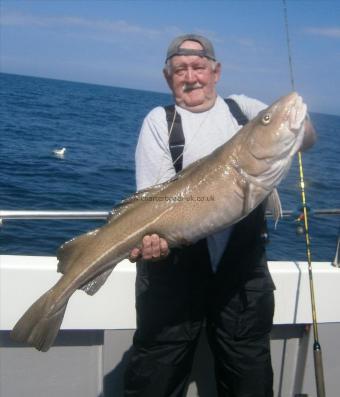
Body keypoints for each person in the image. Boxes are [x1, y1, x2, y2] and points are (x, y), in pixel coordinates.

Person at [124, 34, 316, 397]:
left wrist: (297, 126)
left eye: (199, 67)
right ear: (169, 78)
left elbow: (306, 138)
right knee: (155, 376)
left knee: (250, 378)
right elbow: (150, 202)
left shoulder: (244, 111)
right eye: (180, 69)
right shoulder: (160, 122)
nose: (191, 76)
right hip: (173, 272)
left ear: (216, 71)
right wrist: (154, 244)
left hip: (242, 275)